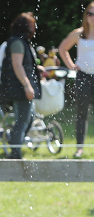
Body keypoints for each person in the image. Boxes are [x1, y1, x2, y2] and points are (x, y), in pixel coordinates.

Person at [0, 13, 45, 161]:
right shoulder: (17, 42)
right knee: (22, 120)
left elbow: (22, 64)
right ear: (26, 27)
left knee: (28, 118)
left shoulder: (21, 41)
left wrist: (38, 69)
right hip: (19, 88)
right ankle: (15, 154)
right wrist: (27, 86)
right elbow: (17, 65)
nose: (34, 28)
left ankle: (14, 143)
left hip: (19, 86)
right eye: (32, 25)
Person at [58, 3, 94, 158]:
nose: (92, 17)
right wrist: (71, 66)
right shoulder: (79, 33)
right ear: (85, 15)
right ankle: (79, 148)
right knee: (81, 113)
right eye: (90, 13)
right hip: (83, 76)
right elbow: (62, 48)